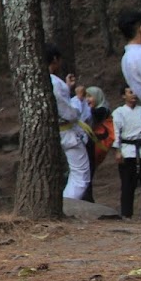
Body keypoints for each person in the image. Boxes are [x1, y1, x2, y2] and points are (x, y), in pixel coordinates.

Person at [46, 43, 89, 200]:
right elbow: (69, 113)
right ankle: (69, 205)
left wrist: (67, 88)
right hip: (66, 132)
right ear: (55, 59)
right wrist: (78, 99)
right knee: (81, 177)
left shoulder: (39, 81)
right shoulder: (54, 83)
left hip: (51, 132)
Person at [111, 85, 141, 217]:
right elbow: (116, 132)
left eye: (135, 92)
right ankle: (126, 214)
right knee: (127, 184)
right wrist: (118, 150)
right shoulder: (119, 112)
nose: (134, 95)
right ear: (123, 96)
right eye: (130, 92)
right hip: (128, 150)